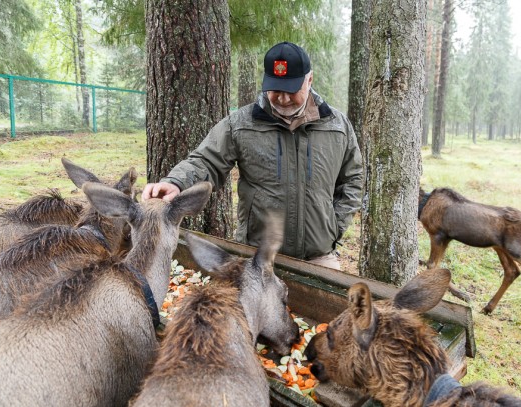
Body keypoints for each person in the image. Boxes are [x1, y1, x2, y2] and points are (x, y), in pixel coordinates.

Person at [142, 41, 362, 270]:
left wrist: (334, 227)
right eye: (276, 89)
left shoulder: (337, 126)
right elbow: (206, 161)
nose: (283, 98)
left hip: (319, 258)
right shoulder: (241, 124)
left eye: (291, 90)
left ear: (310, 80)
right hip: (256, 256)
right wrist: (176, 182)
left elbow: (352, 178)